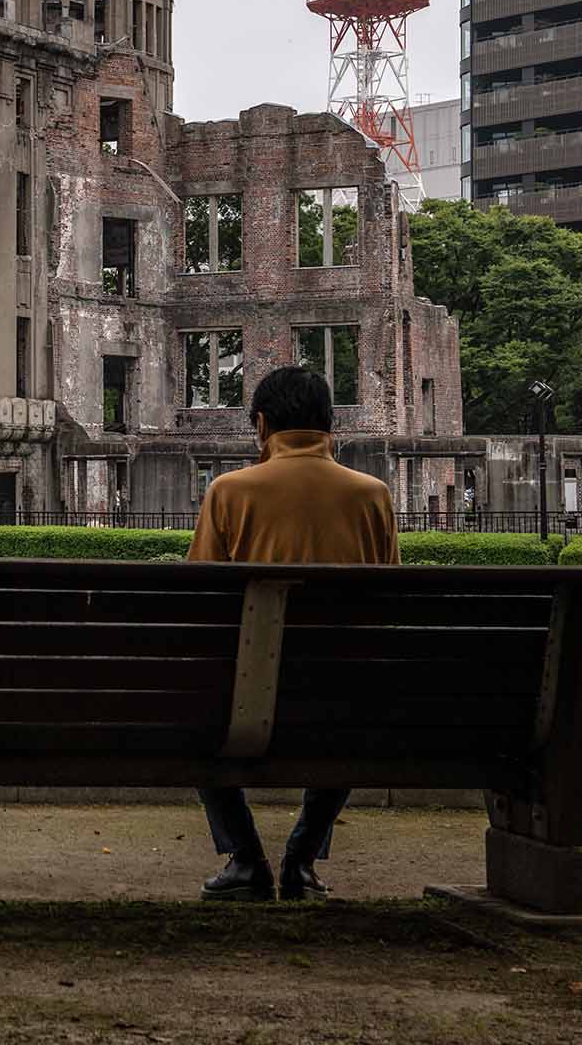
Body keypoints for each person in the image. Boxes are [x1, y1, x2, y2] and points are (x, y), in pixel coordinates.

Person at [189, 365, 400, 904]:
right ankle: (301, 859)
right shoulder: (371, 496)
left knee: (194, 717)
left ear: (261, 426)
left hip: (245, 696)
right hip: (342, 697)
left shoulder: (229, 491)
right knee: (347, 700)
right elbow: (390, 601)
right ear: (331, 426)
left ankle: (245, 857)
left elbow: (199, 600)